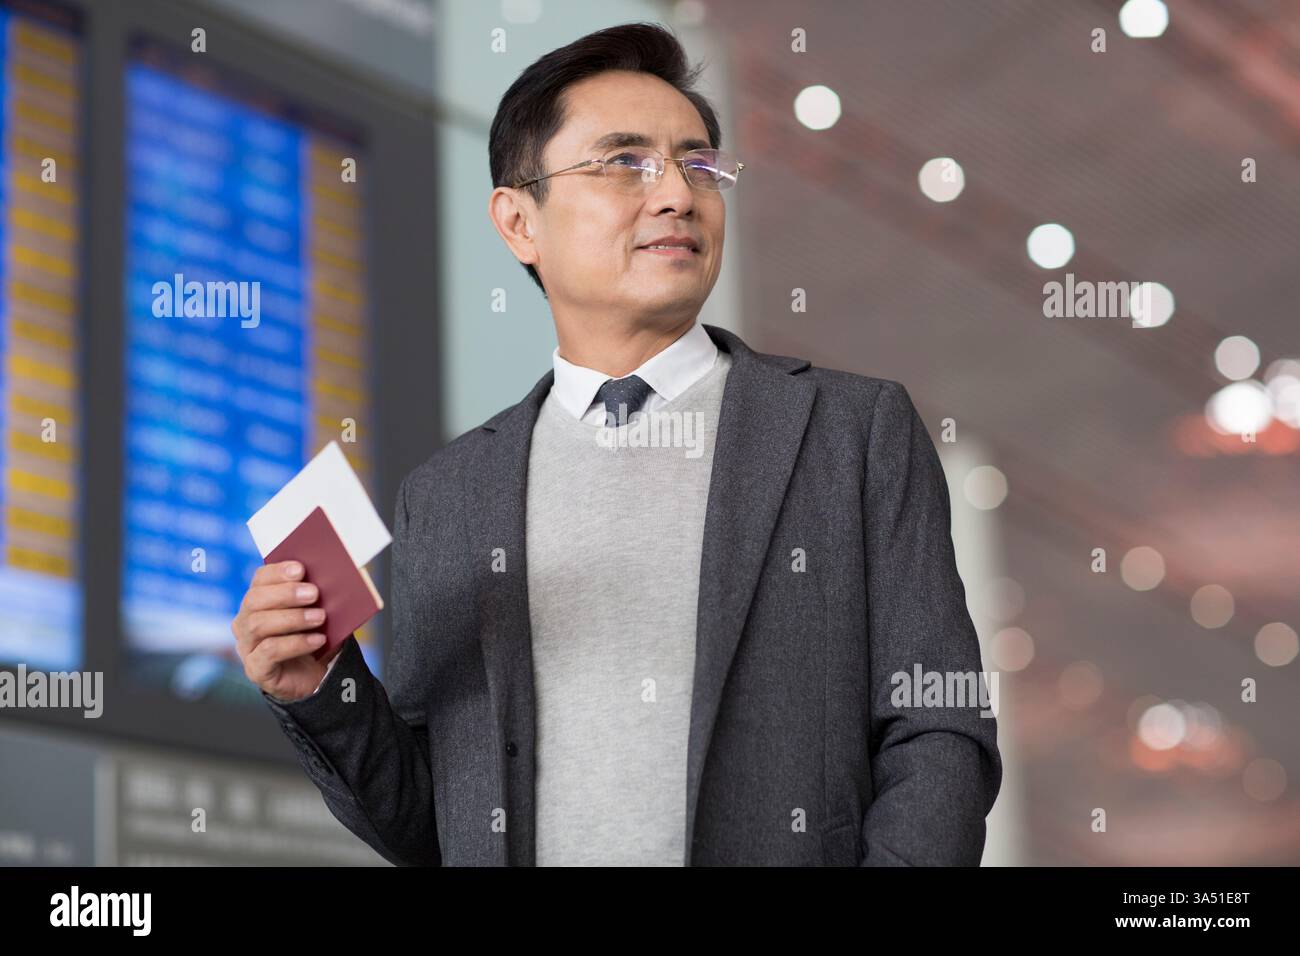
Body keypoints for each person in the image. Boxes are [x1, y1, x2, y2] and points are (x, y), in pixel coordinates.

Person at [231, 21, 1001, 866]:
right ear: (519, 222)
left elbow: (938, 727)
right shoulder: (447, 494)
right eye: (625, 161)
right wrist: (322, 690)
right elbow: (435, 824)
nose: (676, 192)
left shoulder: (849, 434)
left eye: (698, 163)